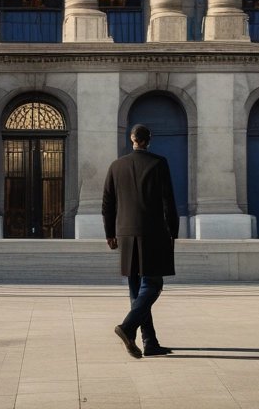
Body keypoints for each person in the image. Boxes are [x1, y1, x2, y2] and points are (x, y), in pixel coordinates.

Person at [102, 123, 179, 358]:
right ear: (149, 139)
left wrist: (110, 233)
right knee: (153, 284)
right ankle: (127, 327)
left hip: (125, 234)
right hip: (153, 233)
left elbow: (108, 204)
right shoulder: (158, 163)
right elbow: (168, 202)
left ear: (132, 138)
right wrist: (173, 233)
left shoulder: (116, 166)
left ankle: (150, 342)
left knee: (137, 290)